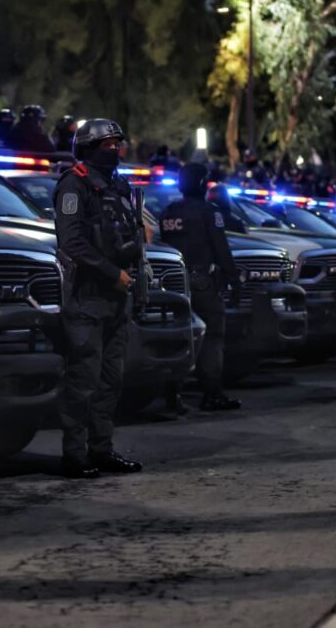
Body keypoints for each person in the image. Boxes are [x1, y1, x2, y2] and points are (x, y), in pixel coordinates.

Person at [53, 118, 143, 479]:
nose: (115, 150)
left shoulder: (116, 186)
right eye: (108, 145)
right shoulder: (74, 184)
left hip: (116, 298)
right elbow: (71, 242)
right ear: (89, 148)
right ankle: (74, 455)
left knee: (110, 380)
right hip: (87, 298)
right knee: (83, 380)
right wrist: (111, 272)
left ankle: (101, 449)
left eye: (117, 144)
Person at [161, 164, 244, 412]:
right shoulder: (210, 212)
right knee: (212, 337)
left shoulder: (168, 213)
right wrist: (233, 280)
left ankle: (172, 395)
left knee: (177, 337)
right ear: (201, 183)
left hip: (173, 284)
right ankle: (212, 393)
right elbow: (221, 249)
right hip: (202, 283)